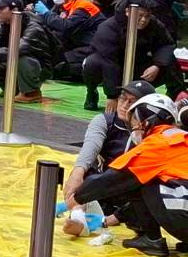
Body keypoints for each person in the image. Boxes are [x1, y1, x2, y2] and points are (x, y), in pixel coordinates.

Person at [68, 94, 188, 257]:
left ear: (147, 121)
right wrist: (108, 220)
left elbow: (112, 180)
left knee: (137, 180)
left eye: (135, 122)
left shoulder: (157, 145)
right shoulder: (180, 139)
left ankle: (152, 240)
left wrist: (77, 197)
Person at [63, 80, 156, 238]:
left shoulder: (152, 132)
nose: (124, 104)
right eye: (122, 98)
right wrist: (77, 173)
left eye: (132, 101)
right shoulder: (105, 121)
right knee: (83, 173)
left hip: (132, 194)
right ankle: (78, 219)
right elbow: (90, 148)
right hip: (103, 188)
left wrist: (112, 220)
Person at [83, 6, 183, 113]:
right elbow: (108, 61)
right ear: (127, 12)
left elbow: (167, 45)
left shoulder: (154, 24)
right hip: (112, 68)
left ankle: (175, 98)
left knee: (170, 61)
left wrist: (157, 65)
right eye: (140, 16)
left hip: (139, 67)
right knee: (92, 62)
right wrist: (112, 96)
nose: (144, 20)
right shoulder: (108, 27)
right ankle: (91, 92)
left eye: (147, 16)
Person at [0, 0, 59, 104]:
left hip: (39, 67)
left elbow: (17, 48)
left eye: (2, 8)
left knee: (19, 56)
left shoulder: (34, 27)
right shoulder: (4, 24)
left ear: (15, 10)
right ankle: (13, 88)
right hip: (17, 63)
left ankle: (32, 92)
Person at [41, 0, 102, 90]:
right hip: (78, 43)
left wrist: (46, 13)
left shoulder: (83, 7)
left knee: (63, 67)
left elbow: (65, 26)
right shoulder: (65, 5)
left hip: (93, 47)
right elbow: (52, 23)